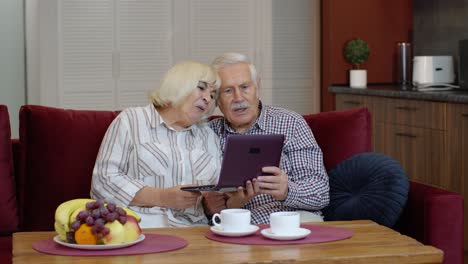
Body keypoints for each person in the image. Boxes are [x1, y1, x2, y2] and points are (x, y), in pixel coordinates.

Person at [90, 61, 222, 228]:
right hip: (142, 228)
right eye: (201, 87)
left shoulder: (208, 136)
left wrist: (216, 202)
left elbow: (216, 195)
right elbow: (103, 181)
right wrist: (161, 197)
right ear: (179, 84)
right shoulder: (131, 120)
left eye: (213, 94)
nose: (207, 98)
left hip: (195, 232)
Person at [203, 52, 329, 224]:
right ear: (216, 99)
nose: (238, 98)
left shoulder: (290, 123)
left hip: (289, 221)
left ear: (258, 87)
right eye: (228, 91)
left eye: (245, 87)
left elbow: (321, 193)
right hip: (235, 227)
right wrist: (208, 207)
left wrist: (287, 190)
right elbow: (197, 202)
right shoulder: (207, 135)